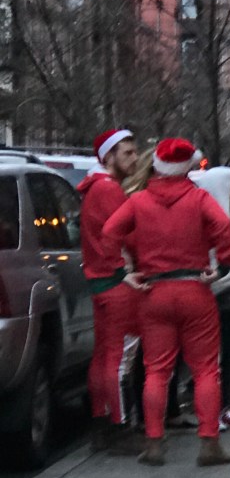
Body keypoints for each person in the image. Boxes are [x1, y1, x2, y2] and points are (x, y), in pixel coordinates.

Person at [102, 138, 230, 467]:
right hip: (194, 291)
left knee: (156, 371)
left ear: (157, 165)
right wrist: (221, 268)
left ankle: (154, 443)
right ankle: (209, 443)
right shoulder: (199, 199)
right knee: (206, 370)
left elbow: (109, 232)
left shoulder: (138, 201)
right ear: (187, 166)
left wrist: (124, 272)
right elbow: (226, 235)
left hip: (154, 294)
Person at [77, 128, 144, 454]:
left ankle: (101, 422)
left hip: (99, 282)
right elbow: (128, 236)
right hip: (118, 282)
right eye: (128, 153)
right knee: (120, 359)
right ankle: (119, 428)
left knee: (103, 356)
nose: (134, 158)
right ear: (109, 156)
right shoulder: (111, 191)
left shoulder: (94, 189)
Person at [188, 166, 230, 432]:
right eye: (229, 189)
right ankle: (211, 412)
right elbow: (225, 251)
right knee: (212, 358)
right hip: (214, 289)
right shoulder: (208, 215)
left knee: (226, 353)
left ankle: (223, 408)